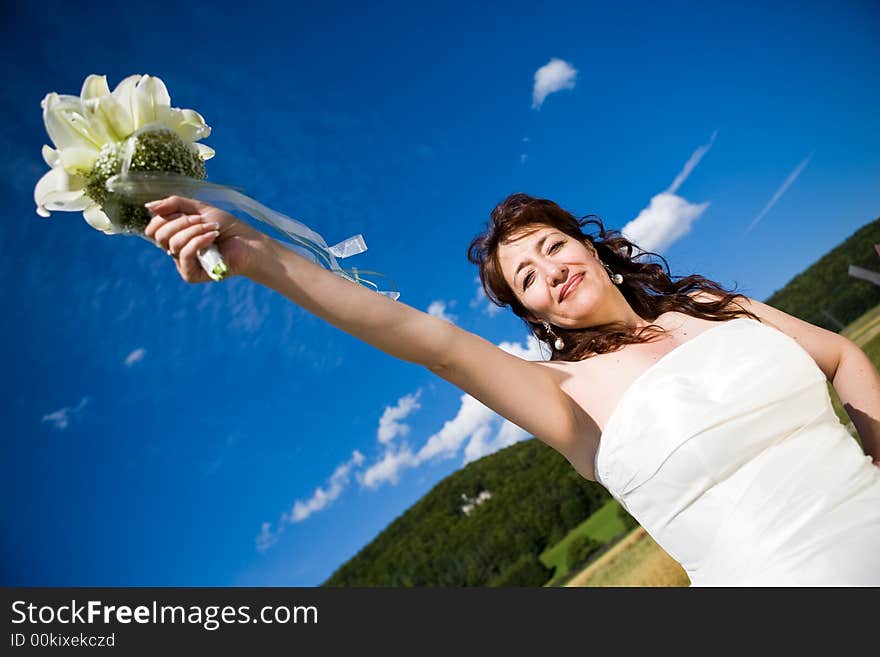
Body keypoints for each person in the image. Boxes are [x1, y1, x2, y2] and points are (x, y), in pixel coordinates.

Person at [143, 192, 880, 586]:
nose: (549, 268)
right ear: (535, 314)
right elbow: (429, 344)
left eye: (552, 245)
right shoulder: (565, 393)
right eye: (527, 277)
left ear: (588, 246)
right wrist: (260, 254)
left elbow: (842, 354)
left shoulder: (718, 308)